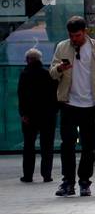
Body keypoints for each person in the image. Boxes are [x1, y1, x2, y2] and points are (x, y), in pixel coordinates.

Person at [48, 16, 95, 198]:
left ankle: (84, 181)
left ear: (85, 32)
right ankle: (68, 182)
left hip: (91, 103)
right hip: (69, 102)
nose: (74, 39)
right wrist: (60, 69)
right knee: (67, 144)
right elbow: (52, 73)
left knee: (88, 146)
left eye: (77, 35)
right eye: (71, 35)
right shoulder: (62, 47)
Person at [18, 48, 57, 183]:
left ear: (28, 59)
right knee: (47, 146)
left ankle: (28, 175)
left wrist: (23, 114)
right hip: (48, 115)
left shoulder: (24, 74)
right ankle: (47, 175)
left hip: (30, 116)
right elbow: (55, 94)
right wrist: (54, 110)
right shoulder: (48, 74)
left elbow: (21, 96)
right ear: (39, 59)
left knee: (29, 146)